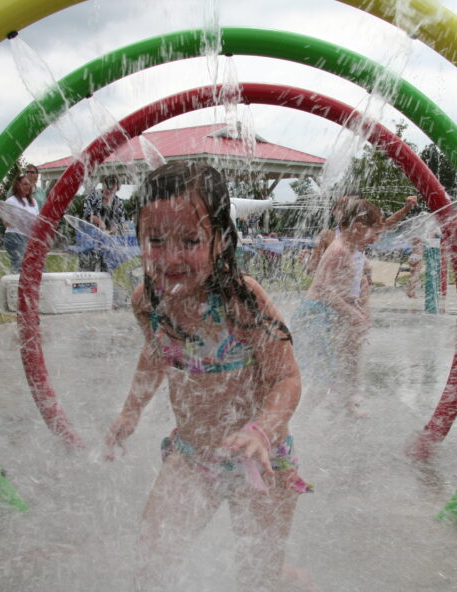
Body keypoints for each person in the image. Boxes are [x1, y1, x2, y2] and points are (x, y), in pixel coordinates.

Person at [104, 162, 311, 591]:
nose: (171, 256)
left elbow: (287, 378)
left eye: (190, 240)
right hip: (192, 456)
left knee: (260, 575)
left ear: (219, 240)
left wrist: (262, 430)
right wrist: (130, 411)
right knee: (151, 561)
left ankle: (286, 577)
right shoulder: (148, 301)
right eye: (155, 241)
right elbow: (157, 353)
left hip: (259, 460)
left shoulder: (241, 302)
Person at [294, 197, 384, 418]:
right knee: (323, 377)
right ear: (358, 227)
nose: (376, 240)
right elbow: (324, 289)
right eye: (375, 233)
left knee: (343, 364)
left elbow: (355, 284)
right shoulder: (338, 250)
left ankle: (345, 405)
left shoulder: (353, 249)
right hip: (315, 314)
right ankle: (294, 422)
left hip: (330, 313)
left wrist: (361, 311)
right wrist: (353, 313)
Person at [306, 193, 417, 276]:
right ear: (334, 210)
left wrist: (405, 209)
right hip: (332, 292)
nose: (346, 210)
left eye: (352, 206)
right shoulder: (328, 235)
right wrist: (306, 260)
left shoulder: (361, 232)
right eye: (342, 206)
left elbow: (386, 224)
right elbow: (312, 267)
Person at [80, 174, 126, 271]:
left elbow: (121, 222)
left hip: (108, 243)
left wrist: (115, 227)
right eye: (107, 189)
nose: (109, 192)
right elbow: (86, 214)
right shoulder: (93, 196)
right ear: (103, 185)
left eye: (112, 190)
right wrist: (99, 221)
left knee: (106, 271)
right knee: (87, 271)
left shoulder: (118, 202)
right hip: (90, 240)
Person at [3, 174, 39, 273]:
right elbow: (6, 222)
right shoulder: (11, 201)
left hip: (29, 237)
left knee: (36, 265)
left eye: (29, 184)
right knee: (20, 265)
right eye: (25, 184)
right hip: (14, 236)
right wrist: (19, 220)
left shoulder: (33, 202)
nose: (28, 187)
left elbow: (37, 220)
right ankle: (15, 286)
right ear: (18, 185)